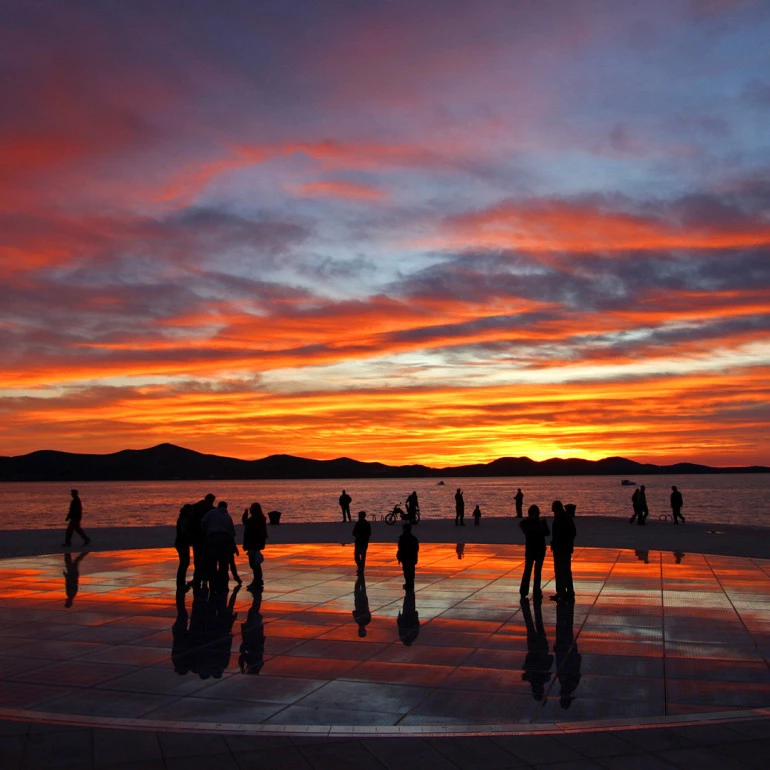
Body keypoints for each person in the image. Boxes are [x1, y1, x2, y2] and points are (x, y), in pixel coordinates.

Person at [202, 500, 236, 591]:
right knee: (223, 561)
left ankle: (213, 580)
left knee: (212, 560)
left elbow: (203, 523)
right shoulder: (227, 516)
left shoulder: (211, 513)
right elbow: (231, 531)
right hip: (224, 539)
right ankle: (223, 580)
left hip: (212, 538)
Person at [519, 504, 550, 600]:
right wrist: (543, 523)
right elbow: (546, 533)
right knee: (535, 571)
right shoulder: (535, 523)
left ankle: (525, 591)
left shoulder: (526, 523)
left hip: (532, 549)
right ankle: (535, 591)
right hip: (538, 549)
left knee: (529, 570)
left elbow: (547, 533)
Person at [550, 500, 576, 602]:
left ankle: (568, 591)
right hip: (558, 548)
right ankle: (561, 591)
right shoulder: (559, 518)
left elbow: (572, 533)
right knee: (559, 570)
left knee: (564, 570)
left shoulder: (565, 518)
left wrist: (564, 542)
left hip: (563, 549)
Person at [190, 493, 216, 586]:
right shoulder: (198, 508)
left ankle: (202, 578)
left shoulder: (211, 510)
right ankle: (198, 578)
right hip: (199, 537)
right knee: (198, 559)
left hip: (205, 538)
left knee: (203, 559)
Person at [242, 502, 268, 591]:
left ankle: (257, 581)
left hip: (253, 544)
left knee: (254, 564)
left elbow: (246, 523)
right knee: (255, 564)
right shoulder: (260, 519)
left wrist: (245, 515)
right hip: (256, 544)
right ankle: (257, 581)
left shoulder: (254, 520)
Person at [175, 503, 195, 589]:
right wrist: (191, 538)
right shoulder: (184, 519)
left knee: (184, 563)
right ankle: (180, 583)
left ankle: (181, 583)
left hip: (182, 543)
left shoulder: (183, 518)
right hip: (182, 543)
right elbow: (184, 532)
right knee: (184, 563)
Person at [397, 522, 419, 592]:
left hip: (406, 557)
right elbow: (416, 549)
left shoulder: (402, 538)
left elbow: (400, 548)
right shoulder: (414, 538)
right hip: (411, 557)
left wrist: (399, 556)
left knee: (407, 571)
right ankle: (410, 584)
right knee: (411, 571)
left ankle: (408, 584)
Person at [352, 510, 371, 575]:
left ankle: (361, 568)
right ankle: (360, 566)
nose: (359, 517)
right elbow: (353, 532)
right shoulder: (357, 523)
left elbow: (369, 533)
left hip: (363, 542)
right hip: (358, 542)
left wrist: (363, 536)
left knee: (363, 557)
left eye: (360, 516)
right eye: (359, 516)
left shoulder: (366, 524)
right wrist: (357, 535)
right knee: (356, 557)